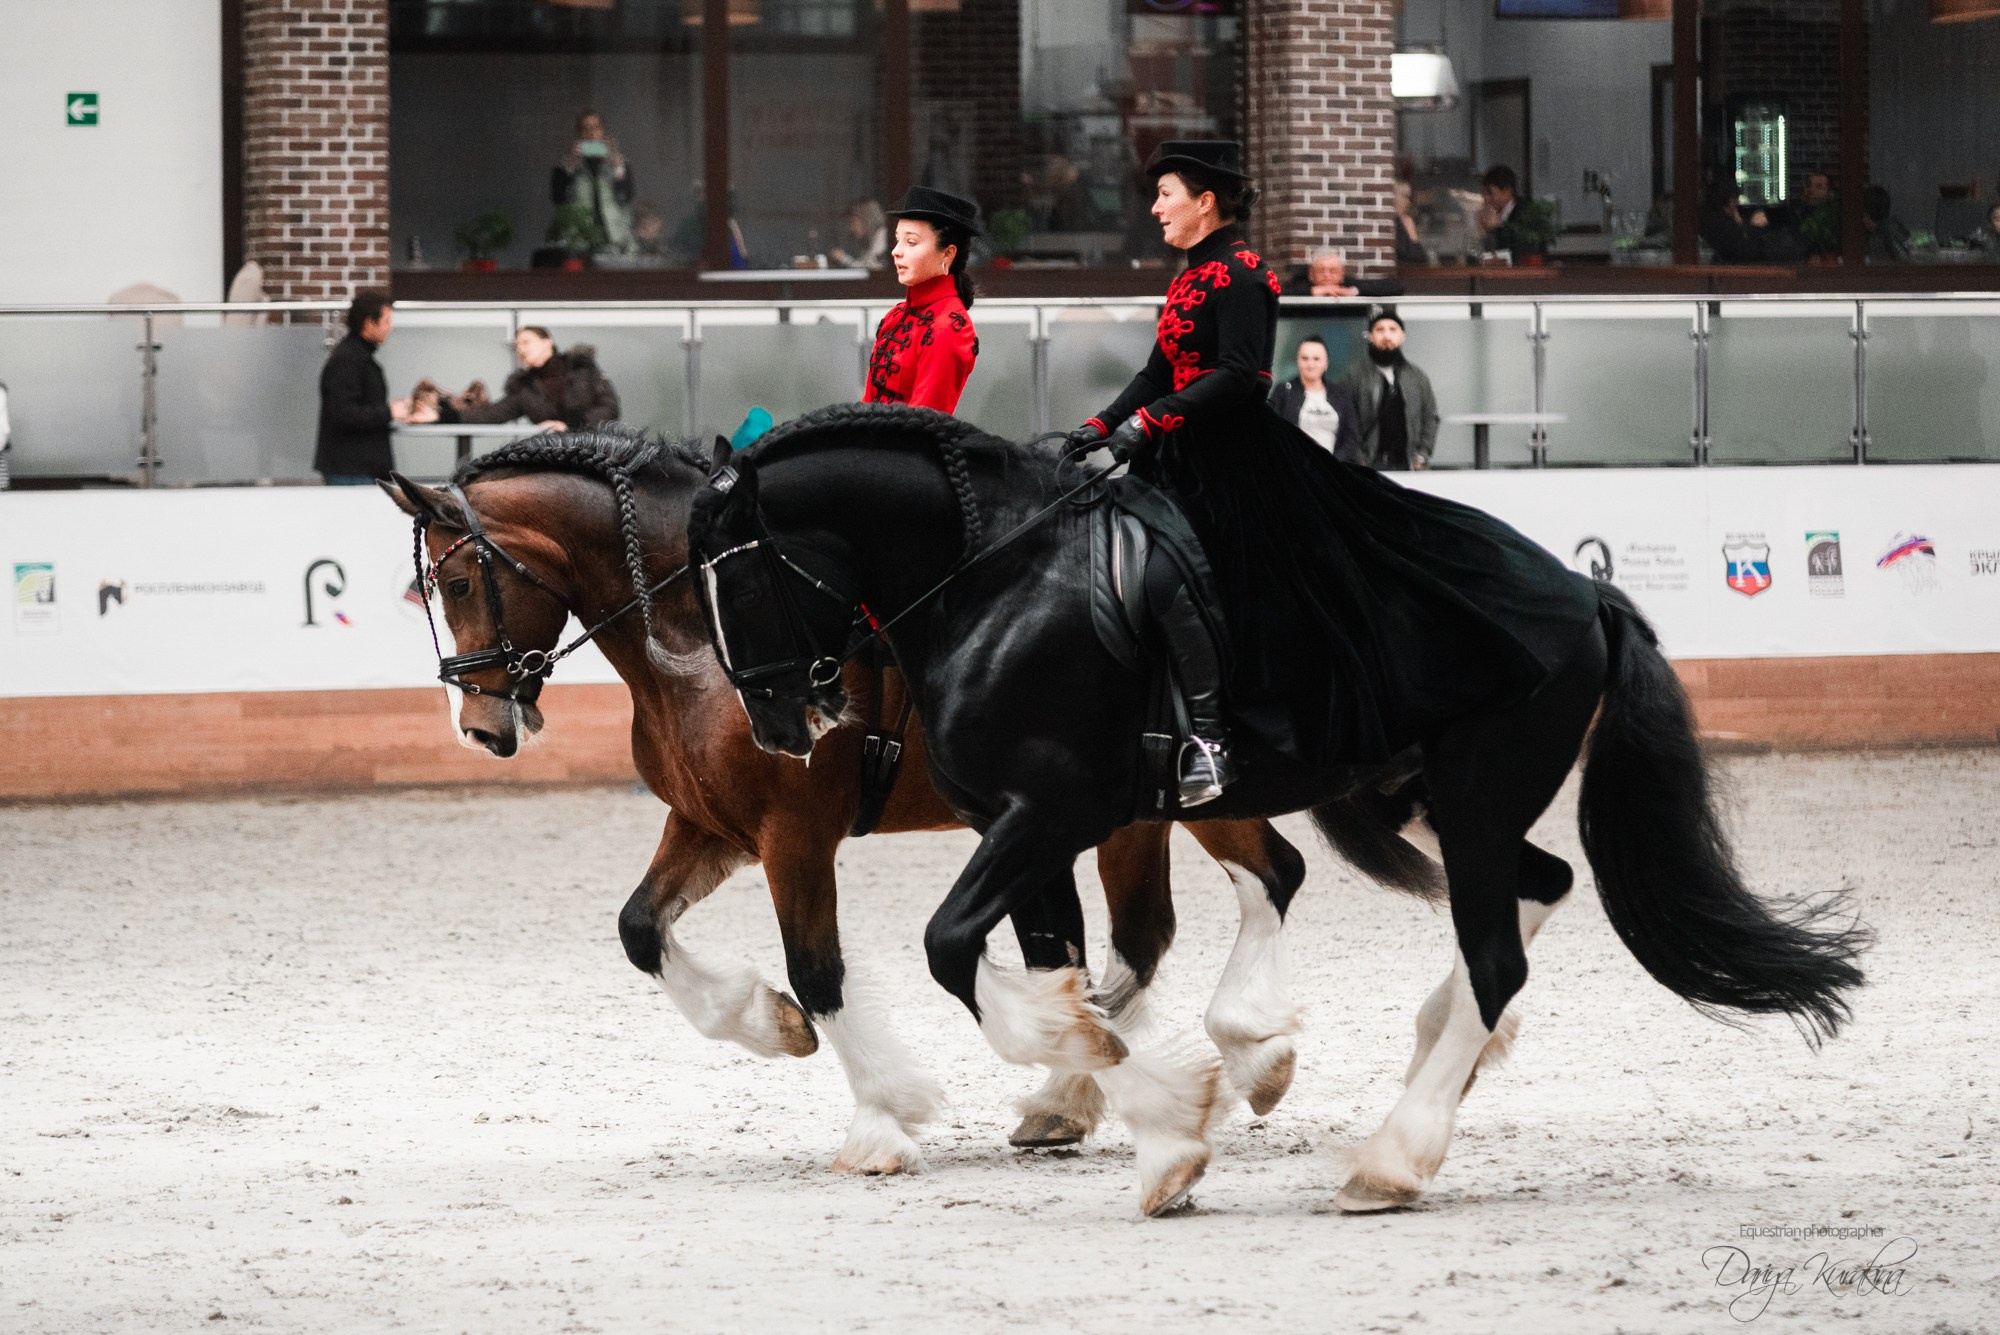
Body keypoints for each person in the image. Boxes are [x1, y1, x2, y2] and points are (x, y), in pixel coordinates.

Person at [1072, 139, 1598, 804]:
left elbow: (1241, 376)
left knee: (1170, 573)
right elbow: (1156, 371)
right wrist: (1099, 424)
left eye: (1165, 195)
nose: (1155, 209)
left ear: (1206, 202)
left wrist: (1149, 423)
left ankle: (1209, 738)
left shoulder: (1243, 275)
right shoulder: (1187, 276)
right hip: (1176, 448)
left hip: (1230, 461)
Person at [861, 186, 981, 413]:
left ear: (947, 254)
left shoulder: (949, 326)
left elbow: (926, 423)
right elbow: (867, 401)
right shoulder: (895, 316)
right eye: (897, 241)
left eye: (911, 242)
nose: (896, 251)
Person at [314, 290, 431, 485]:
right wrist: (389, 412)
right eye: (386, 321)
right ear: (369, 323)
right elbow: (344, 413)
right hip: (351, 469)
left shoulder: (355, 357)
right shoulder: (348, 360)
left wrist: (395, 411)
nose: (390, 328)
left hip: (357, 467)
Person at [438, 326, 620, 433]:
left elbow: (609, 408)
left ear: (547, 341)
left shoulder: (582, 369)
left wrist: (569, 426)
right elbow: (493, 414)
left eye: (526, 342)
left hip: (597, 451)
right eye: (517, 346)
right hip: (558, 458)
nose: (521, 349)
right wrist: (442, 416)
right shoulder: (525, 386)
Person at [1339, 306, 1438, 472]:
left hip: (1408, 464)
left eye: (1393, 330)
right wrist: (1358, 459)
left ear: (1402, 336)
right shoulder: (1354, 376)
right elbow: (1346, 421)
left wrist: (1422, 454)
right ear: (1370, 337)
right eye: (1379, 330)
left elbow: (1430, 418)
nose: (1386, 336)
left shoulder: (1416, 376)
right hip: (1368, 465)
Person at [551, 108, 636, 256]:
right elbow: (558, 199)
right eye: (585, 128)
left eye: (596, 128)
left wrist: (617, 168)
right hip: (579, 241)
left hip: (613, 239)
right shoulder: (566, 167)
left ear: (603, 132)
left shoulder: (619, 164)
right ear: (579, 134)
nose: (591, 134)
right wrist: (570, 166)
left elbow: (626, 197)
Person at [1268, 334, 1361, 461]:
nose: (1310, 364)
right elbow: (1272, 430)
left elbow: (1351, 437)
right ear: (1297, 361)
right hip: (1294, 466)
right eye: (1305, 358)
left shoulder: (1340, 394)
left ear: (1326, 363)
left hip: (1332, 468)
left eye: (1316, 359)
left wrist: (1335, 463)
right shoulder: (1284, 390)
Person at [1477, 165, 1548, 261]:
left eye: (1490, 193)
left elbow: (1518, 252)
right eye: (1483, 193)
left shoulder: (1526, 212)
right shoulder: (1500, 214)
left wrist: (1495, 229)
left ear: (1507, 190)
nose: (1485, 198)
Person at [830, 199, 889, 271]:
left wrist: (844, 259)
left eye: (852, 222)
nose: (851, 228)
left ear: (866, 219)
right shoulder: (869, 238)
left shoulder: (883, 236)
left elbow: (872, 268)